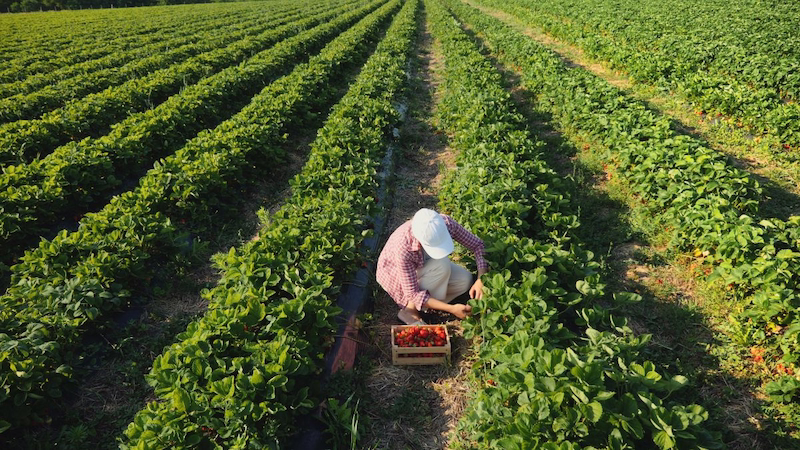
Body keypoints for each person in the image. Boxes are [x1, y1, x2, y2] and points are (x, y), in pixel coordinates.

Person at [377, 208, 489, 325]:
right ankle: (410, 310)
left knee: (465, 280)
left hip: (427, 264)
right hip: (394, 274)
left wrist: (481, 278)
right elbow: (412, 293)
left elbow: (478, 245)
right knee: (442, 265)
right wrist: (451, 309)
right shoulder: (404, 247)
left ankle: (429, 303)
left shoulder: (445, 224)